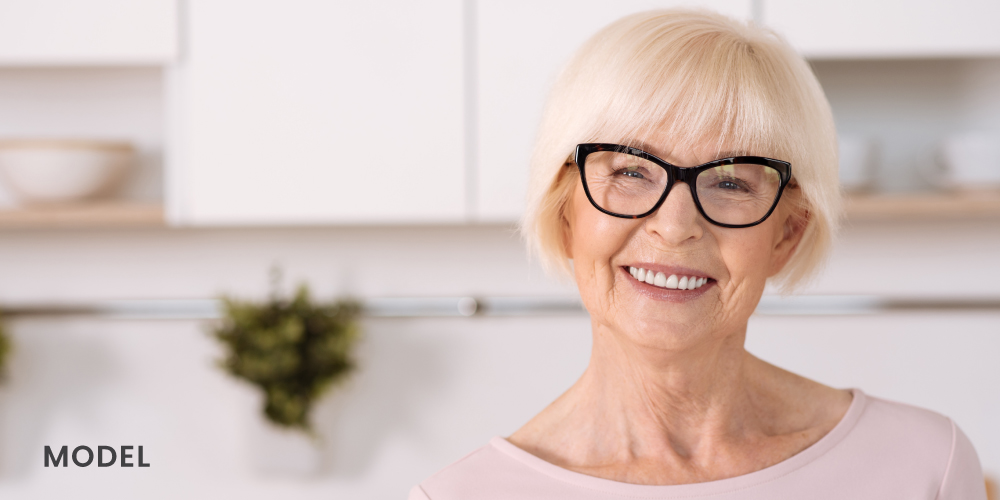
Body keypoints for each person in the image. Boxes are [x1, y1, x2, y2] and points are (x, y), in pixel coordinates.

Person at [410, 8, 987, 499]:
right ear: (566, 214)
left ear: (786, 235)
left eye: (731, 182)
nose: (675, 225)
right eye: (631, 170)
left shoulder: (925, 469)